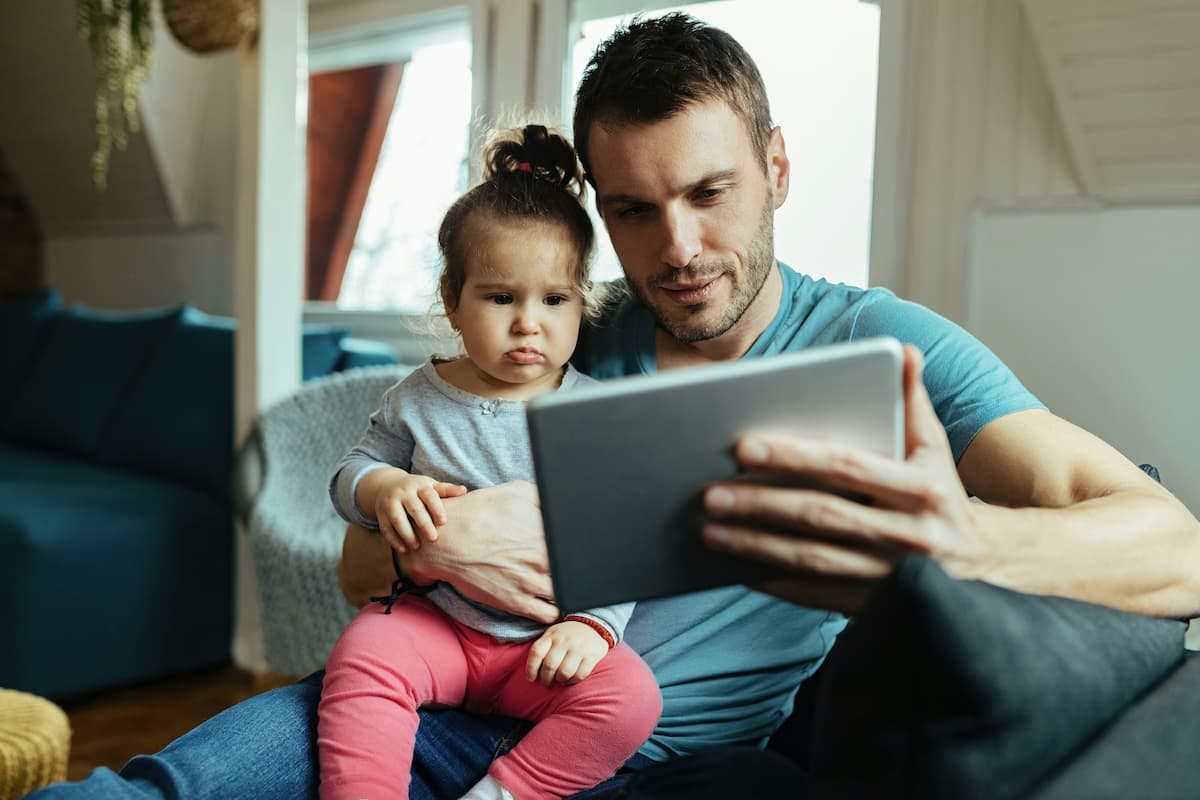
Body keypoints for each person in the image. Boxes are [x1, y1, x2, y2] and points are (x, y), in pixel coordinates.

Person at [30, 12, 1200, 800]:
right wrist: (447, 535)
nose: (678, 247)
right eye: (635, 210)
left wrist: (964, 541)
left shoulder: (881, 342)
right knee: (161, 786)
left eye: (710, 192)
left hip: (662, 753)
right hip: (450, 693)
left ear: (779, 170)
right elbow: (348, 576)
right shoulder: (562, 330)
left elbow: (1176, 548)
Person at [317, 123, 660, 800]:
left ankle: (504, 793)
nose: (528, 322)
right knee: (359, 660)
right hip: (431, 624)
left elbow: (619, 535)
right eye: (502, 298)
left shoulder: (592, 412)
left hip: (537, 649)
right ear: (452, 299)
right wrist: (382, 487)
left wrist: (594, 626)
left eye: (554, 300)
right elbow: (347, 478)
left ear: (581, 303)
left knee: (631, 699)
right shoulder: (417, 397)